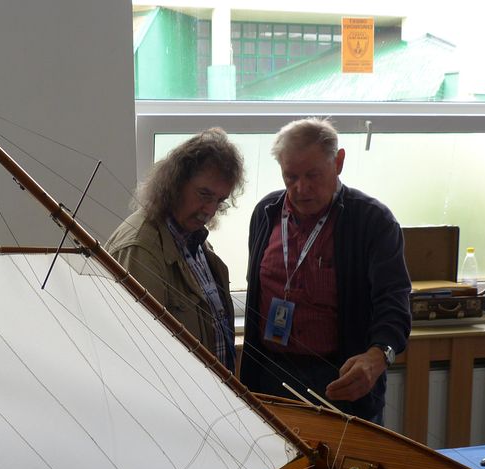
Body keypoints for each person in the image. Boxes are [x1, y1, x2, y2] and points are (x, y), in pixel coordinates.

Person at [239, 118, 411, 423]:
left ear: (338, 162)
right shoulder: (266, 213)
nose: (301, 188)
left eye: (312, 175)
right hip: (270, 374)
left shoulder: (373, 221)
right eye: (290, 176)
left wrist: (377, 357)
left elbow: (394, 302)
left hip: (341, 379)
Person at [105, 128, 243, 373]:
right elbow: (138, 354)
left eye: (219, 200)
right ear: (175, 183)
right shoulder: (140, 248)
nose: (210, 210)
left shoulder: (194, 238)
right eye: (204, 195)